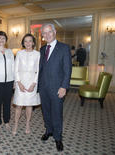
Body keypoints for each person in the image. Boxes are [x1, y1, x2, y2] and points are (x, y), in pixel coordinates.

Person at [38, 23, 72, 152]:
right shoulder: (42, 49)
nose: (47, 35)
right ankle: (49, 131)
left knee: (56, 113)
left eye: (49, 32)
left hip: (58, 88)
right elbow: (40, 69)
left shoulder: (64, 48)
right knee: (45, 111)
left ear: (54, 31)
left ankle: (58, 137)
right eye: (44, 33)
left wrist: (64, 86)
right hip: (43, 87)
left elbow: (67, 69)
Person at [12, 33, 41, 135]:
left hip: (32, 82)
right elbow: (15, 69)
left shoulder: (38, 54)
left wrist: (34, 83)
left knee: (29, 105)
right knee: (19, 105)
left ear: (33, 43)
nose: (28, 43)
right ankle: (16, 124)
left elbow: (38, 70)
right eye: (25, 41)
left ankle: (28, 124)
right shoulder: (19, 53)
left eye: (30, 41)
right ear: (23, 43)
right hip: (21, 81)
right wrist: (18, 82)